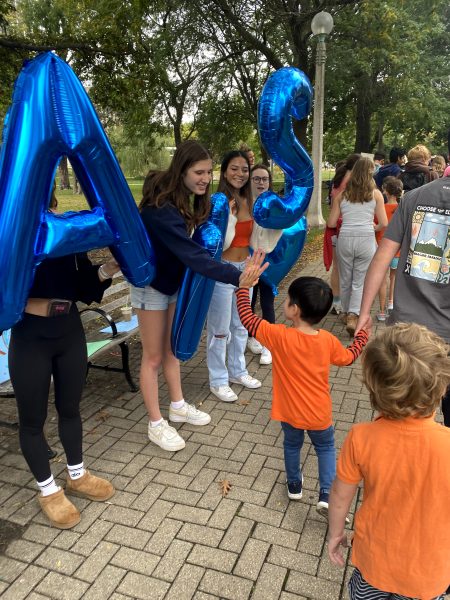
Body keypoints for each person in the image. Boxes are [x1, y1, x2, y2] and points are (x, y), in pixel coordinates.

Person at [130, 141, 266, 451]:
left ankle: (177, 405)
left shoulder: (185, 199)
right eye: (199, 172)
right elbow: (195, 255)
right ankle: (155, 423)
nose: (205, 178)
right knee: (152, 357)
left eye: (208, 172)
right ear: (182, 170)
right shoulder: (161, 207)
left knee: (172, 349)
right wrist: (238, 277)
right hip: (151, 285)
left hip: (171, 282)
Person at [8, 186, 121, 529]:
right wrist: (29, 305)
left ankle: (76, 474)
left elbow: (82, 285)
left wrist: (108, 268)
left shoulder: (63, 232)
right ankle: (47, 490)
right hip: (31, 340)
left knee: (70, 409)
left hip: (70, 334)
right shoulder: (9, 234)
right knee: (32, 421)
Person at [236, 252, 368, 512]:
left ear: (294, 310)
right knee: (326, 448)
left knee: (292, 445)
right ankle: (327, 493)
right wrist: (362, 338)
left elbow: (248, 320)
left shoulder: (279, 336)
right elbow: (348, 358)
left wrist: (243, 288)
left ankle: (295, 485)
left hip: (290, 412)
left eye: (287, 300)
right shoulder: (328, 340)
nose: (285, 302)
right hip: (320, 413)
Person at [328, 322, 450, 600]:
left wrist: (335, 533)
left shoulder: (362, 437)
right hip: (429, 573)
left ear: (374, 388)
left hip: (374, 562)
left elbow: (339, 495)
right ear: (441, 388)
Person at [355, 176, 450, 427]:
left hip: (410, 334)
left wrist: (365, 312)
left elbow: (382, 258)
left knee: (403, 415)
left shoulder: (415, 197)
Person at [206, 150, 262, 403]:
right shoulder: (217, 202)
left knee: (241, 325)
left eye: (244, 169)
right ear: (225, 171)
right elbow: (211, 241)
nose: (240, 174)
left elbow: (254, 238)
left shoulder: (250, 201)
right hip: (222, 271)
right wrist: (225, 217)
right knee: (219, 330)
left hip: (244, 271)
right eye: (234, 168)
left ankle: (237, 371)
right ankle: (218, 379)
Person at [327, 157, 387, 336]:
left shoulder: (342, 195)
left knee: (345, 278)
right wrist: (373, 227)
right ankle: (354, 314)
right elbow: (384, 223)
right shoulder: (376, 194)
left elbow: (330, 223)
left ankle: (346, 312)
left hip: (345, 237)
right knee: (360, 280)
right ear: (370, 173)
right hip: (366, 238)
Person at [246, 163, 278, 366]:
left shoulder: (275, 205)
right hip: (247, 260)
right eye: (256, 179)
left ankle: (269, 343)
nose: (260, 182)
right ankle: (250, 337)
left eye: (264, 179)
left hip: (269, 260)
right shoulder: (244, 203)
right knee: (248, 301)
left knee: (267, 302)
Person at [323, 154, 360, 315]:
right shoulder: (354, 182)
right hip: (348, 228)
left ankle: (336, 302)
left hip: (333, 229)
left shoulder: (338, 178)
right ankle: (349, 304)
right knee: (351, 269)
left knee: (337, 268)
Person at [375, 176, 403, 321]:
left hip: (382, 248)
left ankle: (381, 310)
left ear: (386, 191)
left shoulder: (380, 208)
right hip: (397, 250)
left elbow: (377, 226)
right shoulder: (402, 209)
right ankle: (391, 304)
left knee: (382, 279)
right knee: (393, 278)